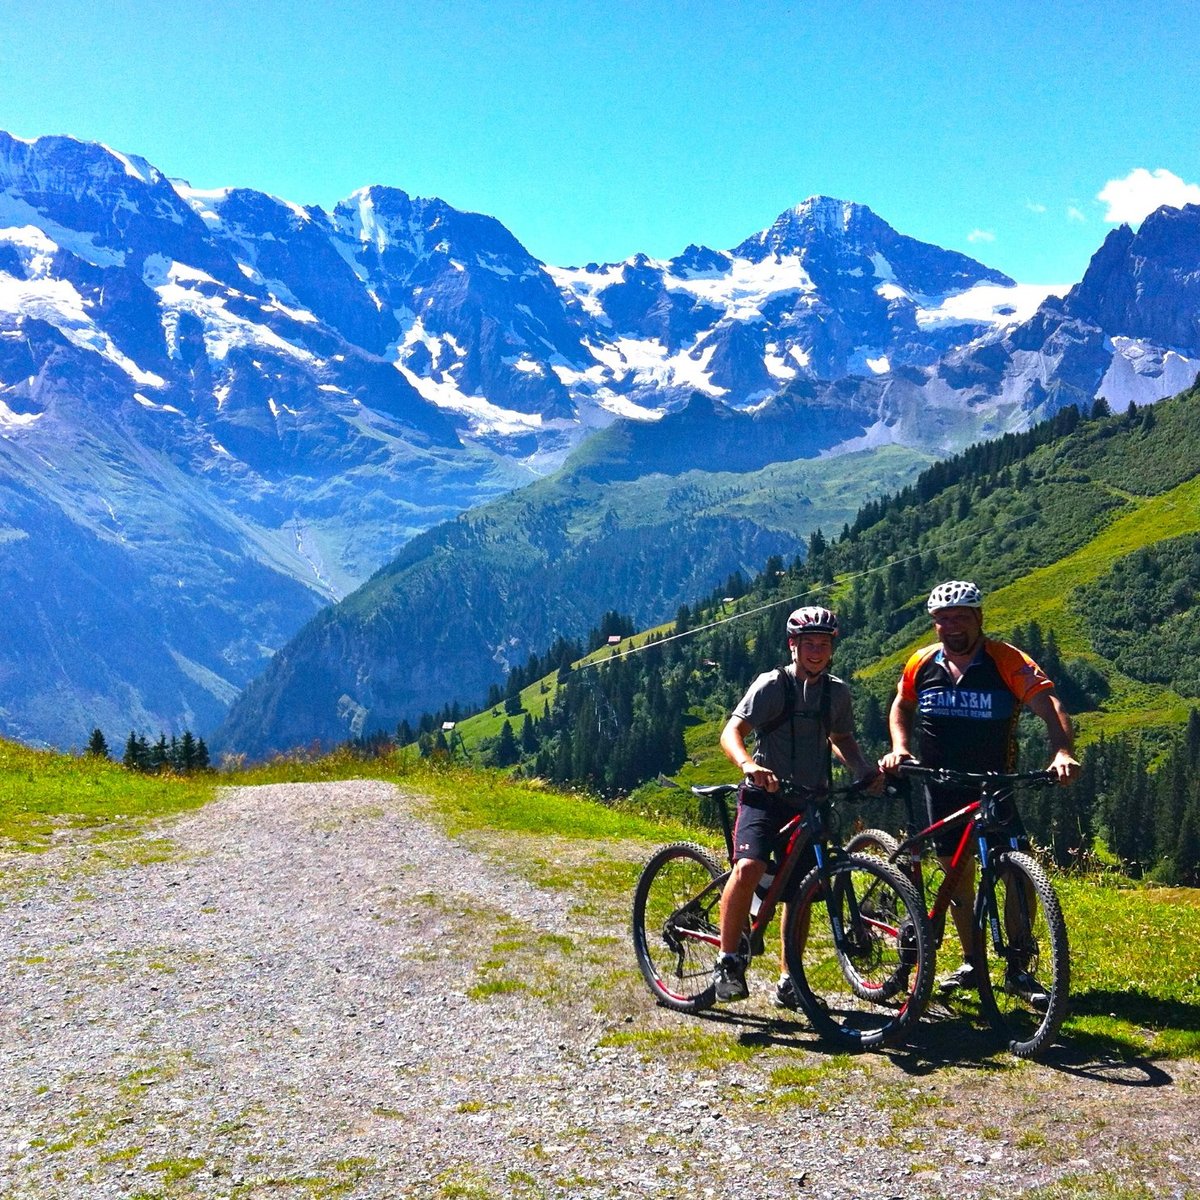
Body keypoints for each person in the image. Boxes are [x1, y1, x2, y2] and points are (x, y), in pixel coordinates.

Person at [879, 579, 1079, 1000]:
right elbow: (902, 703)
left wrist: (1061, 751)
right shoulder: (921, 661)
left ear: (979, 618)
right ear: (935, 624)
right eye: (943, 619)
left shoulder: (1006, 660)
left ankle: (1019, 968)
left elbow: (1050, 705)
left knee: (1017, 875)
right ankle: (973, 963)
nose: (952, 626)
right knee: (957, 881)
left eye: (960, 617)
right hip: (939, 786)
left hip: (994, 787)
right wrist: (900, 747)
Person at [714, 605, 881, 1007]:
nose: (817, 651)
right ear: (793, 646)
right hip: (764, 796)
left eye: (824, 644)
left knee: (803, 892)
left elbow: (842, 739)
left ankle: (790, 981)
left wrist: (862, 771)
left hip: (811, 801)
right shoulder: (772, 685)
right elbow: (731, 732)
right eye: (809, 644)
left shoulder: (836, 692)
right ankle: (727, 959)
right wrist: (749, 765)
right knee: (749, 867)